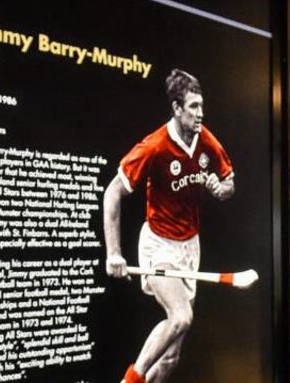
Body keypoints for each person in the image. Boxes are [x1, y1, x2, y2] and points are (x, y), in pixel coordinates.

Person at [103, 69, 235, 383]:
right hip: (158, 245)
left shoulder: (205, 139)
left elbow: (230, 180)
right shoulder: (155, 146)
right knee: (181, 317)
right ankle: (130, 380)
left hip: (190, 247)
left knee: (172, 357)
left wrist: (222, 188)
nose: (200, 113)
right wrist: (114, 253)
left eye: (201, 105)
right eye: (193, 107)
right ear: (176, 109)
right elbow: (112, 193)